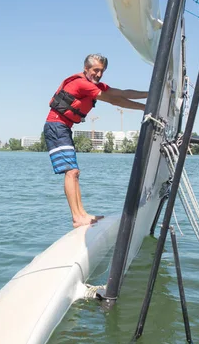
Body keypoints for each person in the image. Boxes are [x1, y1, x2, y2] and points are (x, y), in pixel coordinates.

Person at [43, 53, 148, 228]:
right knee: (71, 172)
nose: (99, 75)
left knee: (74, 172)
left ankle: (82, 214)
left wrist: (151, 95)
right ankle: (77, 217)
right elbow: (115, 100)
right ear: (86, 69)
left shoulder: (94, 84)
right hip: (56, 127)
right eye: (95, 70)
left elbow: (122, 93)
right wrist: (146, 107)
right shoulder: (82, 84)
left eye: (102, 71)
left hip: (64, 128)